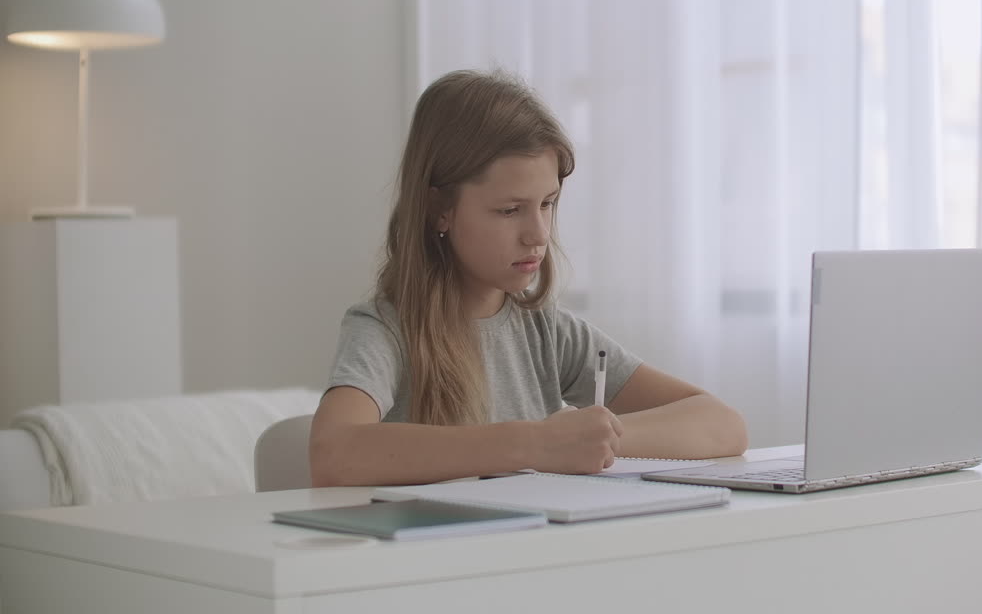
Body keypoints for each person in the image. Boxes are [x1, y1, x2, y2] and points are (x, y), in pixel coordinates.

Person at [310, 70, 748, 486]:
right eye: (509, 210)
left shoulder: (548, 332)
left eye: (548, 204)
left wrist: (593, 438)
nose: (538, 235)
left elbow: (722, 425)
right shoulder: (385, 331)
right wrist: (534, 444)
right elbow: (333, 454)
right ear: (438, 209)